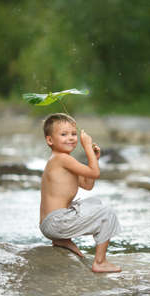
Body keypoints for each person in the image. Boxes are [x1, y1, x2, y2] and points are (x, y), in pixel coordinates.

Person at [39, 113, 121, 273]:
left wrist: (94, 159)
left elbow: (88, 184)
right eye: (64, 134)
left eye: (73, 134)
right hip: (56, 222)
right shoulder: (61, 159)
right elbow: (95, 173)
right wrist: (87, 147)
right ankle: (100, 262)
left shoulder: (65, 161)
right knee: (107, 213)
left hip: (52, 224)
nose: (70, 138)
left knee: (95, 202)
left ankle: (61, 240)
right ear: (50, 140)